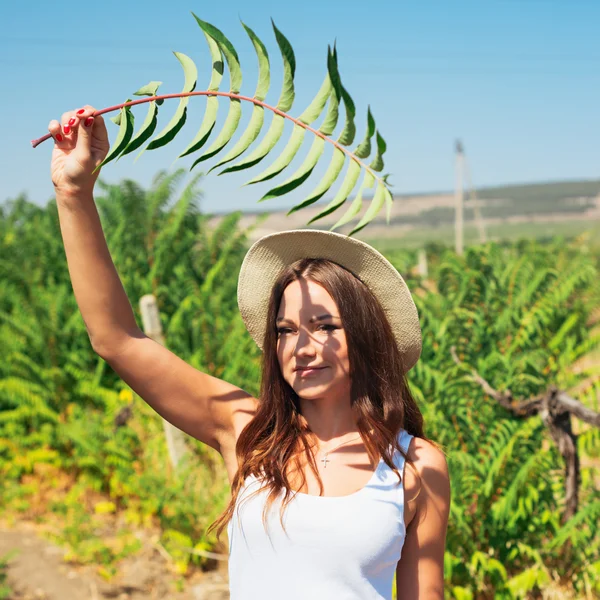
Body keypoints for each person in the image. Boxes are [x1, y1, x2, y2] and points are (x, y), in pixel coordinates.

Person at [49, 106, 451, 599]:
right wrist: (74, 193)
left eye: (324, 325)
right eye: (284, 330)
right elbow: (115, 339)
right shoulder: (248, 433)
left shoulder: (416, 464)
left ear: (365, 336)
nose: (301, 347)